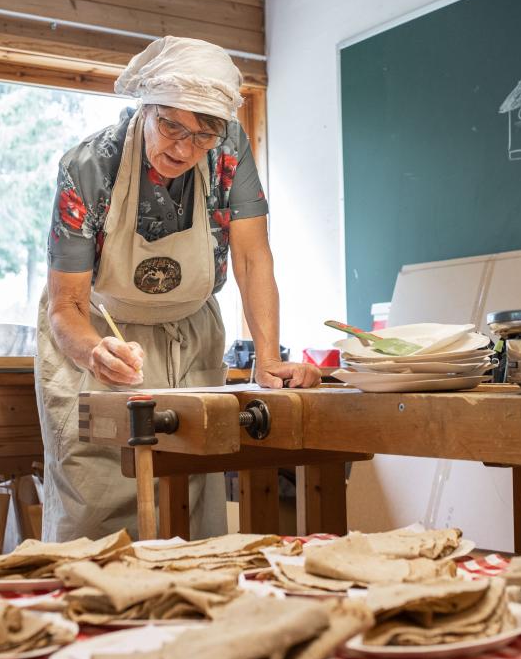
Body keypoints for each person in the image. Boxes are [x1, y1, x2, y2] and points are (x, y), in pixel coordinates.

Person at [35, 36, 321, 542]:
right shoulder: (89, 167)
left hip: (189, 336)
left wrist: (268, 359)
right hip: (99, 334)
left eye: (203, 136)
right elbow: (67, 304)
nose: (184, 149)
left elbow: (252, 258)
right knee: (96, 508)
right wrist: (94, 353)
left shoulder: (229, 148)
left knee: (190, 506)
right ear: (146, 107)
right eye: (171, 127)